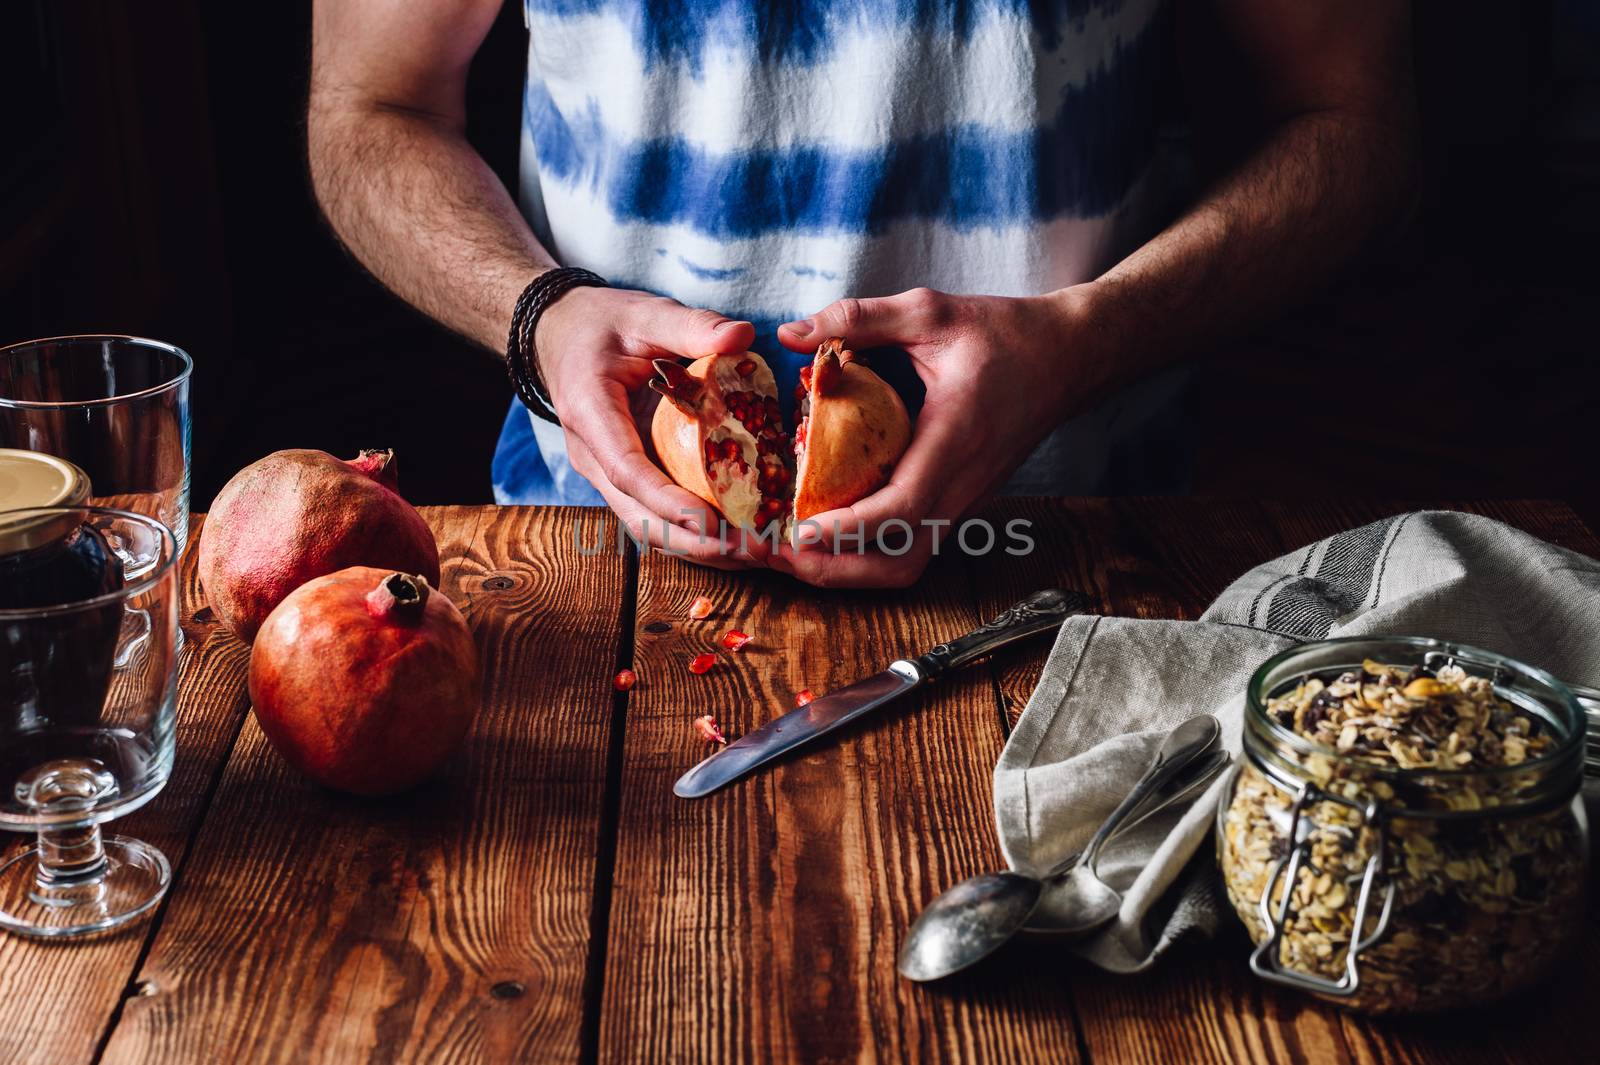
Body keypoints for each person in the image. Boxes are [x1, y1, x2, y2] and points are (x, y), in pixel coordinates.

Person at [309, 0, 1417, 587]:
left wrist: (1091, 338)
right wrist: (535, 313)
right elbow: (371, 107)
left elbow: (1348, 114)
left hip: (1073, 551)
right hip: (596, 561)